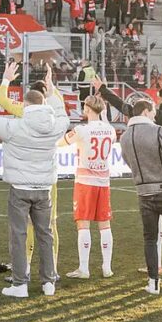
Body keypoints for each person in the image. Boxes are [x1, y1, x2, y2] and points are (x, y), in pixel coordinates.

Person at [0, 64, 69, 298]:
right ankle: (48, 281)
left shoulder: (15, 125)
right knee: (45, 235)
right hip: (44, 190)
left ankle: (20, 284)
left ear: (26, 104)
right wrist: (53, 93)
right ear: (44, 103)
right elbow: (63, 117)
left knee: (19, 235)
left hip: (20, 189)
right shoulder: (53, 127)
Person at [119, 96, 162, 293]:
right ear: (146, 111)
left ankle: (153, 282)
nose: (155, 114)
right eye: (153, 111)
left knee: (150, 239)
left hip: (144, 192)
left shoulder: (124, 137)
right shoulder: (158, 130)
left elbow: (128, 162)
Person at [65, 95, 116, 279]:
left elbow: (61, 142)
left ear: (87, 109)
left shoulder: (81, 130)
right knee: (105, 224)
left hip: (85, 182)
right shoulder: (110, 130)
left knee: (83, 223)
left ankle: (84, 268)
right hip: (103, 182)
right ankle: (107, 267)